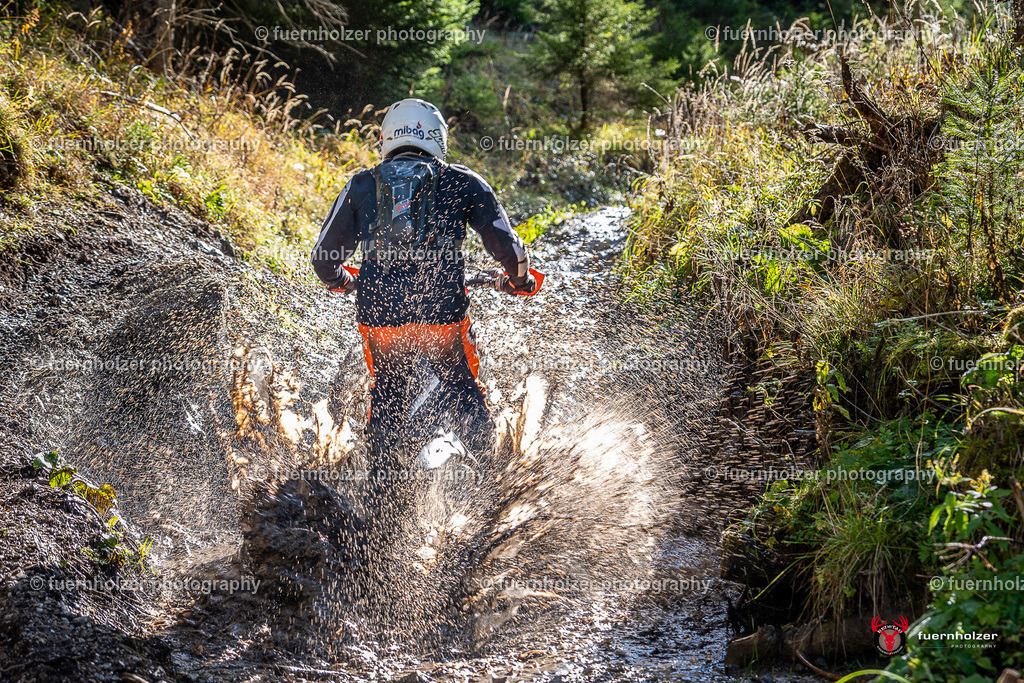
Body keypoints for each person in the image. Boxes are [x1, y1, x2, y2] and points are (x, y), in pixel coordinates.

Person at [311, 98, 537, 462]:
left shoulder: (362, 184)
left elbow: (323, 258)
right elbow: (508, 247)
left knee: (387, 392)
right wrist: (519, 280)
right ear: (437, 137)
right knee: (463, 388)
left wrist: (341, 279)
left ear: (387, 137)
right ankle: (492, 481)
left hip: (381, 313)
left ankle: (382, 488)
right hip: (442, 311)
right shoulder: (463, 180)